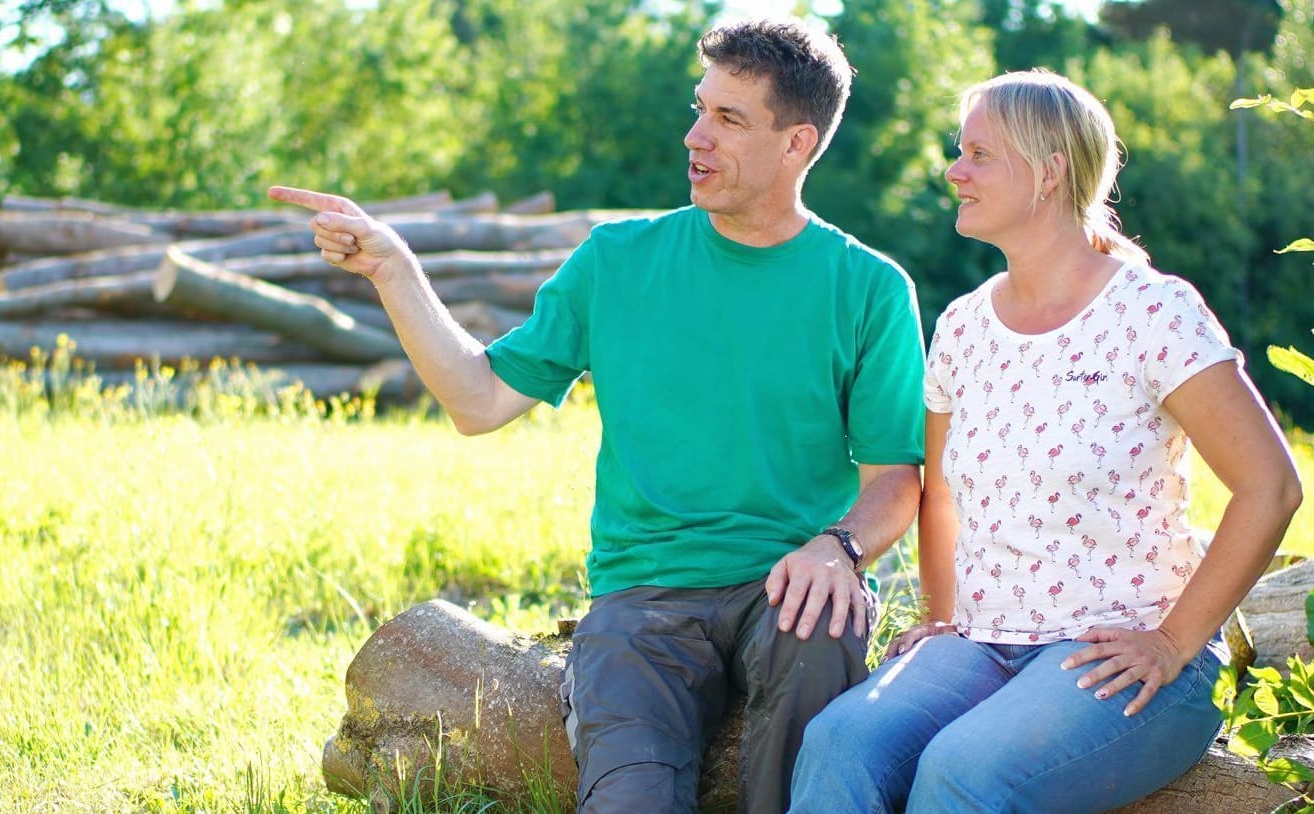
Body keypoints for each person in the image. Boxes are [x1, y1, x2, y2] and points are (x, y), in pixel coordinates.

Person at [268, 17, 925, 814]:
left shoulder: (868, 286)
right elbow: (477, 402)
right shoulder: (616, 261)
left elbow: (897, 478)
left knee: (814, 676)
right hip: (641, 601)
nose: (695, 136)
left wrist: (838, 546)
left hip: (787, 587)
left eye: (728, 119)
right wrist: (394, 271)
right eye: (698, 108)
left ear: (796, 144)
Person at [788, 69, 1304, 813]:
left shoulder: (1151, 313)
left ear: (1049, 170)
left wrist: (1171, 642)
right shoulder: (962, 326)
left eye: (978, 155)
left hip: (1124, 654)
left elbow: (1271, 486)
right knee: (838, 742)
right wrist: (940, 615)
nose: (952, 171)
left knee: (960, 772)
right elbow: (942, 496)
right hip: (984, 642)